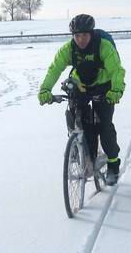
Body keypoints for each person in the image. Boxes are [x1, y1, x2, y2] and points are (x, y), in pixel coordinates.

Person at [38, 14, 125, 185]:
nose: (81, 39)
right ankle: (81, 151)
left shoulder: (103, 46)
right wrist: (45, 89)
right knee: (77, 118)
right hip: (81, 85)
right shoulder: (68, 49)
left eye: (84, 35)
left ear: (91, 34)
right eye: (77, 36)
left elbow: (117, 70)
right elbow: (54, 69)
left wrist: (115, 91)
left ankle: (113, 164)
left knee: (104, 125)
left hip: (104, 86)